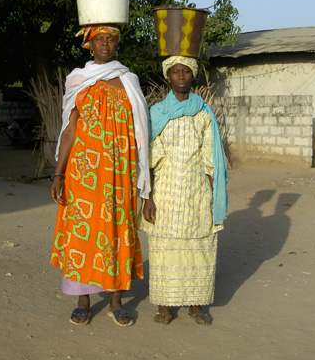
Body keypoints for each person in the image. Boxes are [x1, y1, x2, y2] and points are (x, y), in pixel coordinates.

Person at [50, 25, 150, 327]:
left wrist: (145, 178)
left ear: (115, 45)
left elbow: (141, 131)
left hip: (120, 172)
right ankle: (83, 300)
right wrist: (58, 174)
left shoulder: (128, 81)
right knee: (83, 233)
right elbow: (70, 130)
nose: (104, 44)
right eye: (98, 40)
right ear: (89, 46)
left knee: (118, 231)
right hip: (84, 172)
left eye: (110, 40)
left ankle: (116, 300)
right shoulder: (79, 80)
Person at [140, 56, 228, 325]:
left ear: (192, 76)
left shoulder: (203, 112)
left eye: (185, 71)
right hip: (165, 192)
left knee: (199, 246)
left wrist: (215, 198)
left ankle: (195, 305)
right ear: (168, 77)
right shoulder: (155, 113)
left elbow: (211, 157)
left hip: (197, 191)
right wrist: (148, 197)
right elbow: (148, 161)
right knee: (164, 249)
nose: (180, 76)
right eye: (175, 72)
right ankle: (164, 306)